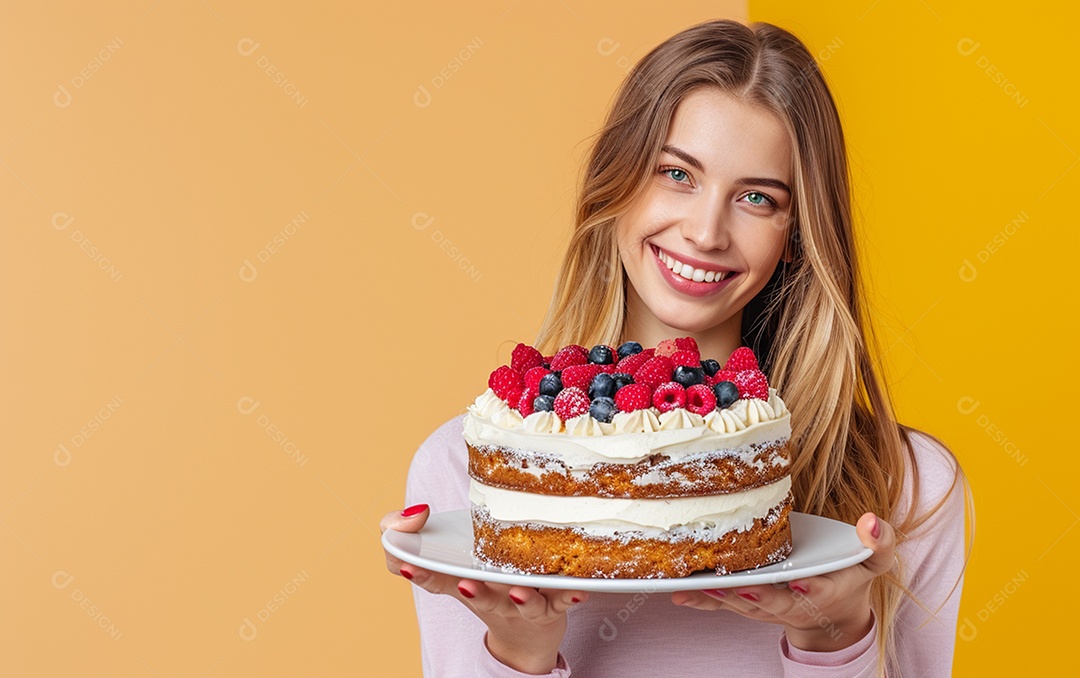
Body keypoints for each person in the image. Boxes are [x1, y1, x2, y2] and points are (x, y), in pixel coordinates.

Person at [380, 18, 970, 677]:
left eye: (756, 197)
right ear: (619, 180)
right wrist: (520, 655)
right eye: (676, 174)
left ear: (797, 234)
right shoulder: (465, 475)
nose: (706, 232)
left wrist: (833, 641)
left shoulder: (906, 488)